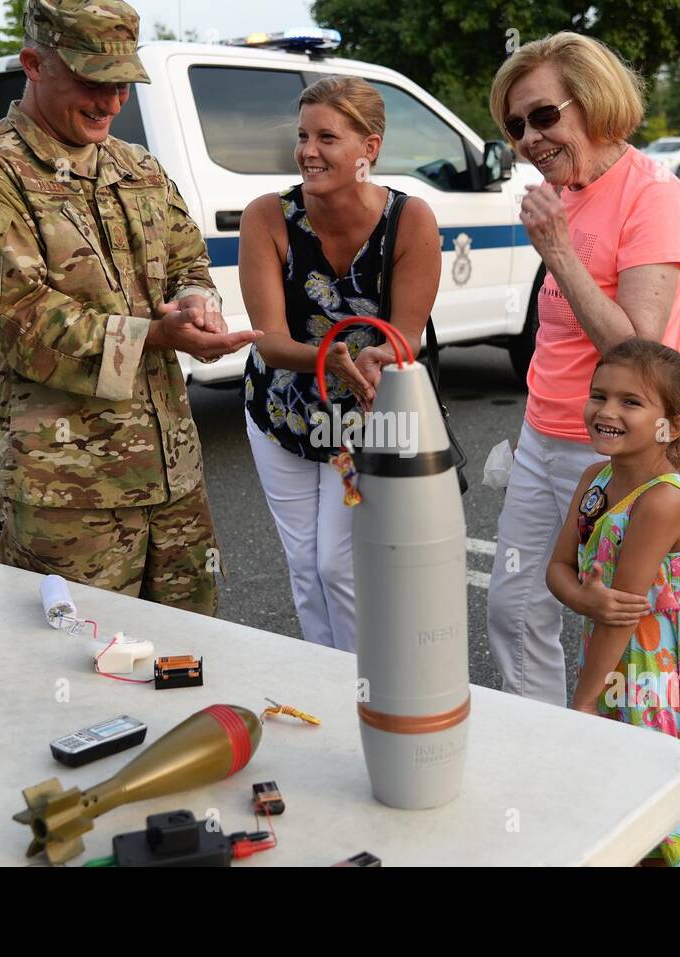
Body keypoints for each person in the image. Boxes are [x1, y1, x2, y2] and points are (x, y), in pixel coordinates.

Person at [0, 0, 260, 614]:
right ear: (34, 64)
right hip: (67, 493)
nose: (109, 103)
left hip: (173, 474)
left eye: (121, 86)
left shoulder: (138, 168)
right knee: (72, 674)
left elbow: (189, 261)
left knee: (187, 657)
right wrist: (157, 338)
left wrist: (196, 303)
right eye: (91, 82)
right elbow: (16, 321)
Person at [484, 33, 680, 706]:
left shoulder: (651, 194)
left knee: (616, 623)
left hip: (613, 449)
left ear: (595, 101)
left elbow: (637, 350)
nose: (528, 138)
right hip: (543, 435)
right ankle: (546, 752)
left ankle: (608, 769)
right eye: (515, 125)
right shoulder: (563, 190)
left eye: (544, 116)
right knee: (515, 610)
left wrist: (557, 251)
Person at [238, 76, 440, 651]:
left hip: (362, 421)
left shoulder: (410, 219)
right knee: (305, 569)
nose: (308, 151)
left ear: (368, 148)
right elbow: (270, 341)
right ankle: (326, 687)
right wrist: (334, 358)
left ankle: (367, 691)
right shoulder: (268, 217)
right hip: (279, 413)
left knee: (339, 567)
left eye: (327, 137)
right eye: (303, 136)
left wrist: (384, 355)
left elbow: (407, 332)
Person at [546, 338, 680, 866]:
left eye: (631, 402)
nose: (606, 411)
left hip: (650, 674)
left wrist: (581, 703)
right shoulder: (594, 479)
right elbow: (556, 569)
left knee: (646, 811)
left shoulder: (662, 500)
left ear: (675, 426)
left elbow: (623, 615)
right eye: (598, 395)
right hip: (607, 659)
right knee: (610, 797)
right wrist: (586, 598)